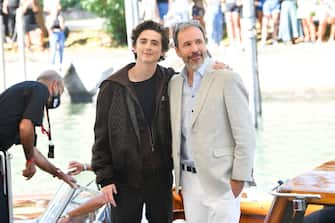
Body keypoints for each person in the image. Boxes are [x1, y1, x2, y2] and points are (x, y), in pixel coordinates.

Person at [169, 20, 256, 223]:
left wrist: (239, 179)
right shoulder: (174, 84)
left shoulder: (227, 78)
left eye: (199, 42)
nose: (195, 49)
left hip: (223, 181)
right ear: (178, 51)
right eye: (187, 45)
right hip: (188, 182)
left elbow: (245, 135)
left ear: (206, 43)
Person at [91, 20, 175, 223]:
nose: (148, 47)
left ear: (163, 49)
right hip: (123, 179)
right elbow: (100, 138)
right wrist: (105, 179)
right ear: (134, 46)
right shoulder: (112, 86)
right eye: (143, 41)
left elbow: (196, 79)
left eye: (155, 43)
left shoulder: (171, 80)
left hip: (161, 177)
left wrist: (216, 66)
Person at [0, 70, 76, 221]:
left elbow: (32, 150)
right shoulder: (40, 89)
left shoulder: (24, 99)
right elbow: (25, 126)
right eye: (60, 91)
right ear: (55, 85)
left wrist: (59, 174)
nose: (58, 96)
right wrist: (29, 162)